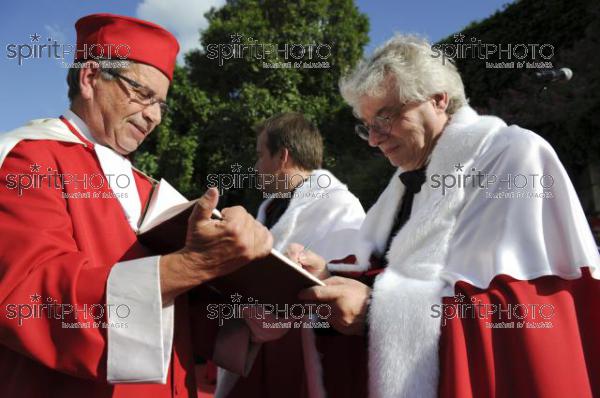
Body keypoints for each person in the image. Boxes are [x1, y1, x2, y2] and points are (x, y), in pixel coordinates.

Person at [298, 34, 600, 398]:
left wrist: (377, 311)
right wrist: (330, 276)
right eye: (367, 126)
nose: (374, 140)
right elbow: (397, 276)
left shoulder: (514, 154)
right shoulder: (400, 188)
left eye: (386, 118)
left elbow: (524, 314)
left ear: (439, 99)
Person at [0, 13, 272, 398]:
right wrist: (192, 264)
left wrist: (248, 312)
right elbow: (30, 297)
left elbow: (177, 312)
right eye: (142, 94)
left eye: (161, 103)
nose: (154, 117)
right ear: (90, 78)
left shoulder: (148, 188)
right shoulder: (29, 159)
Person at [217, 112, 365, 398]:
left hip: (305, 365)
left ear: (282, 156)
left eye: (261, 156)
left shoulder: (340, 206)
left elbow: (345, 300)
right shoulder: (269, 209)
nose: (256, 167)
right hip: (256, 360)